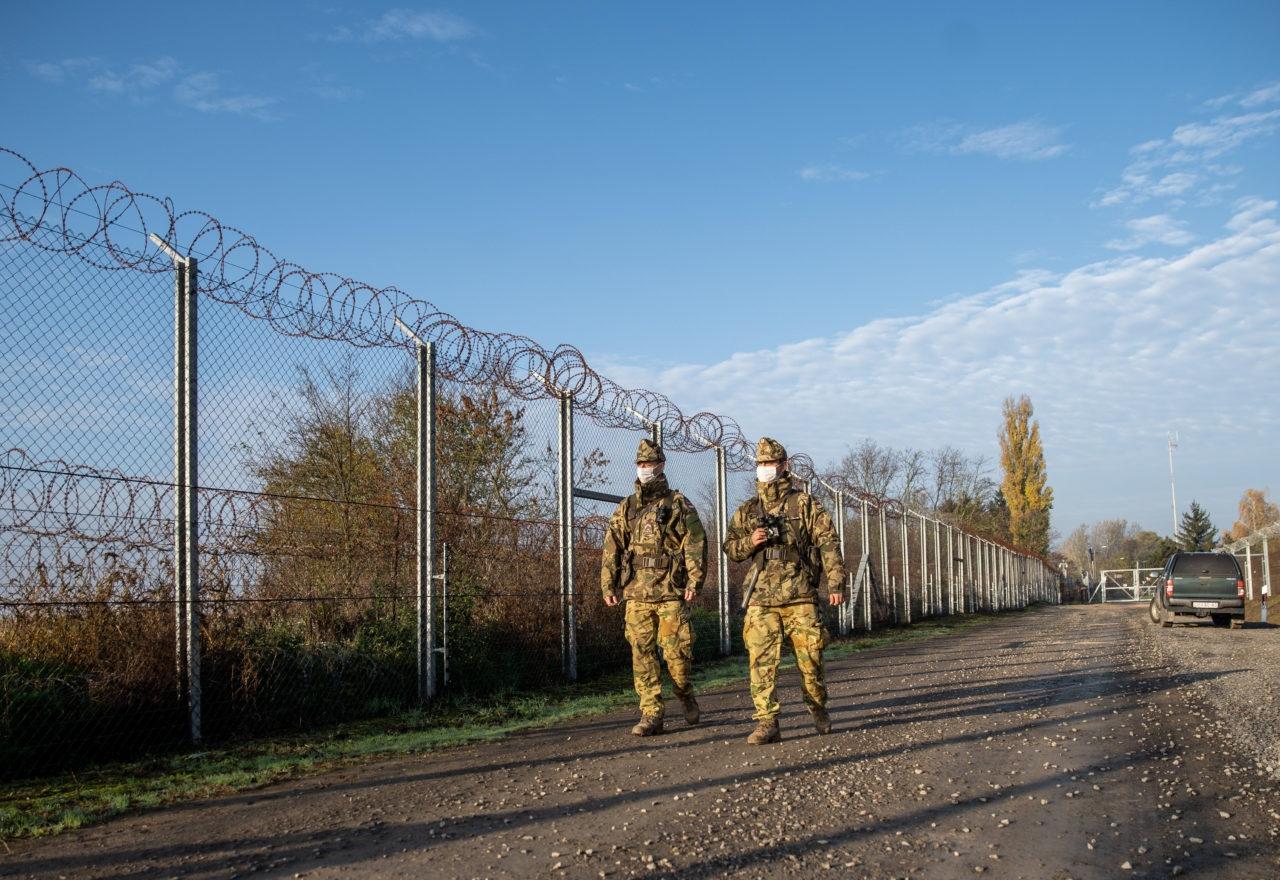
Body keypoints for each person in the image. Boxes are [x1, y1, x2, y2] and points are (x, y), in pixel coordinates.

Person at [723, 437, 845, 744]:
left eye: (770, 463)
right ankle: (767, 722)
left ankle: (817, 706)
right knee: (761, 661)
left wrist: (836, 582)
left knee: (810, 661)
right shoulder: (748, 510)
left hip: (799, 593)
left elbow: (827, 541)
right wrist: (751, 541)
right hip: (760, 595)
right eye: (760, 464)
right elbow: (730, 548)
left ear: (784, 465)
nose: (765, 469)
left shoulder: (803, 503)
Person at [601, 438, 708, 736]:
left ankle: (685, 693)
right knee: (642, 654)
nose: (645, 469)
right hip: (636, 593)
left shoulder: (678, 503)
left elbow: (695, 542)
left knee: (677, 657)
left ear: (661, 465)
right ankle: (651, 714)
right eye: (641, 464)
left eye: (650, 464)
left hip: (670, 592)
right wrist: (608, 584)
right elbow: (613, 547)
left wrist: (694, 580)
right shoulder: (628, 507)